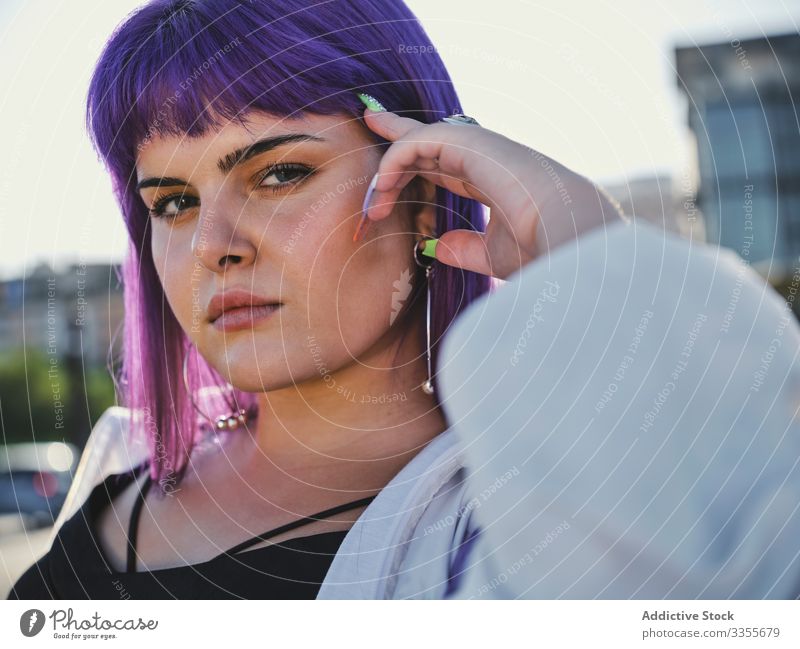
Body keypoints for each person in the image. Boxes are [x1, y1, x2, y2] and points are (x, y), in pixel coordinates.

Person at [9, 0, 800, 600]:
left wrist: (581, 238)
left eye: (279, 173)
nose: (216, 241)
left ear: (423, 193)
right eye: (173, 200)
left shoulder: (520, 510)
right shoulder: (123, 463)